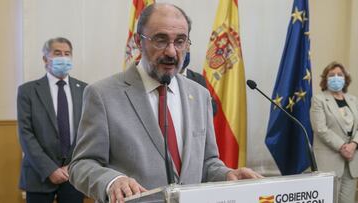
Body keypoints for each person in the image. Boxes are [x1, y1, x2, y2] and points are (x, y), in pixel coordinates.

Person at [69, 3, 262, 203]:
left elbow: (206, 163)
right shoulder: (102, 95)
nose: (171, 52)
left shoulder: (200, 95)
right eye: (160, 40)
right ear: (138, 41)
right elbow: (81, 165)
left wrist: (226, 175)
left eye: (180, 41)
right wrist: (112, 181)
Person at [17, 37, 87, 203]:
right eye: (57, 53)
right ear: (45, 59)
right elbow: (25, 134)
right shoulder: (27, 91)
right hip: (39, 174)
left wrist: (72, 166)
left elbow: (89, 133)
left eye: (67, 54)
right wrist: (50, 170)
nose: (63, 57)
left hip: (74, 175)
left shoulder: (85, 90)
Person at [310, 61, 358, 203]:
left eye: (340, 74)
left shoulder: (353, 100)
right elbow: (320, 128)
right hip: (329, 159)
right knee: (329, 199)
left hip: (352, 160)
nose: (336, 77)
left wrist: (354, 144)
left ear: (345, 78)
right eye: (332, 75)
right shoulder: (319, 99)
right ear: (326, 79)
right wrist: (343, 146)